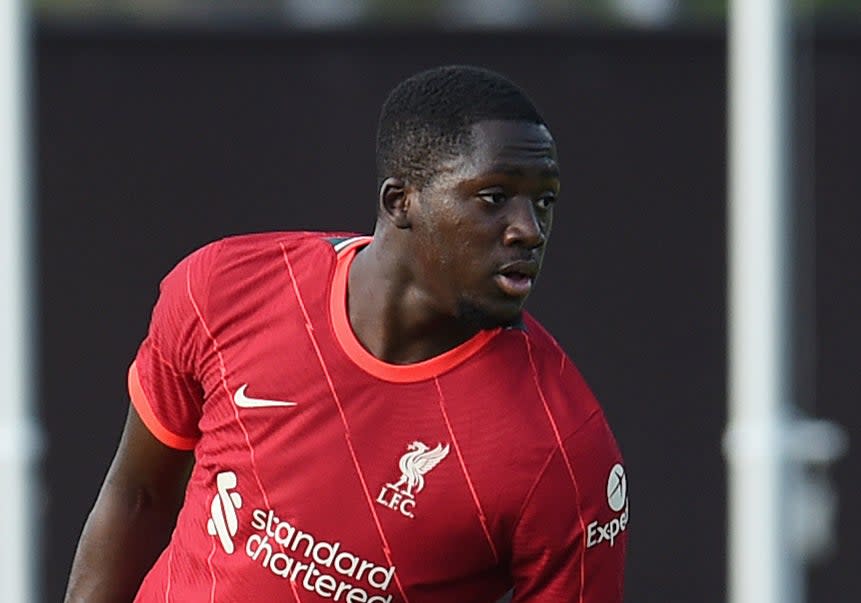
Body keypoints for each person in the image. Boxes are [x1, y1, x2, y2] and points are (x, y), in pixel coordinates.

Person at [65, 65, 628, 603]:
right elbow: (136, 498)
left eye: (545, 201)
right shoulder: (225, 287)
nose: (529, 229)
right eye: (494, 197)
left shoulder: (562, 447)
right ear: (399, 201)